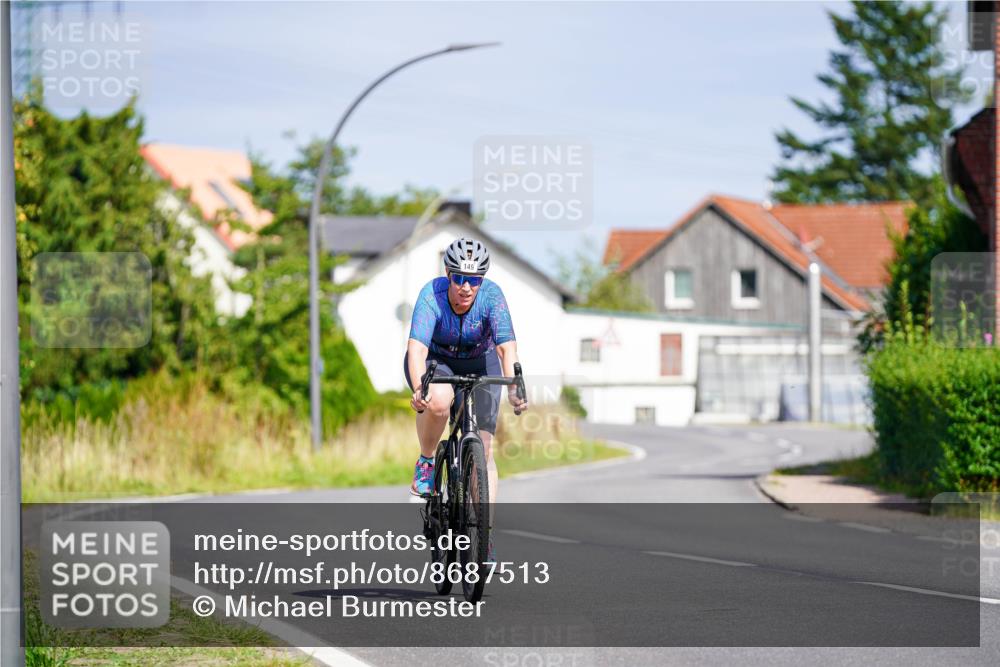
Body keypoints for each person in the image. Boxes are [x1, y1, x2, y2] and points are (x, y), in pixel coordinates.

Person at [403, 237, 528, 506]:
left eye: (475, 279)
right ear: (448, 274)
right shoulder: (431, 295)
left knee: (483, 449)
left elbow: (507, 350)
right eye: (459, 278)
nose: (467, 287)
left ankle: (486, 537)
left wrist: (515, 389)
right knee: (437, 402)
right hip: (438, 361)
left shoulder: (492, 296)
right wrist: (418, 389)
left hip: (480, 362)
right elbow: (417, 351)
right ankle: (426, 462)